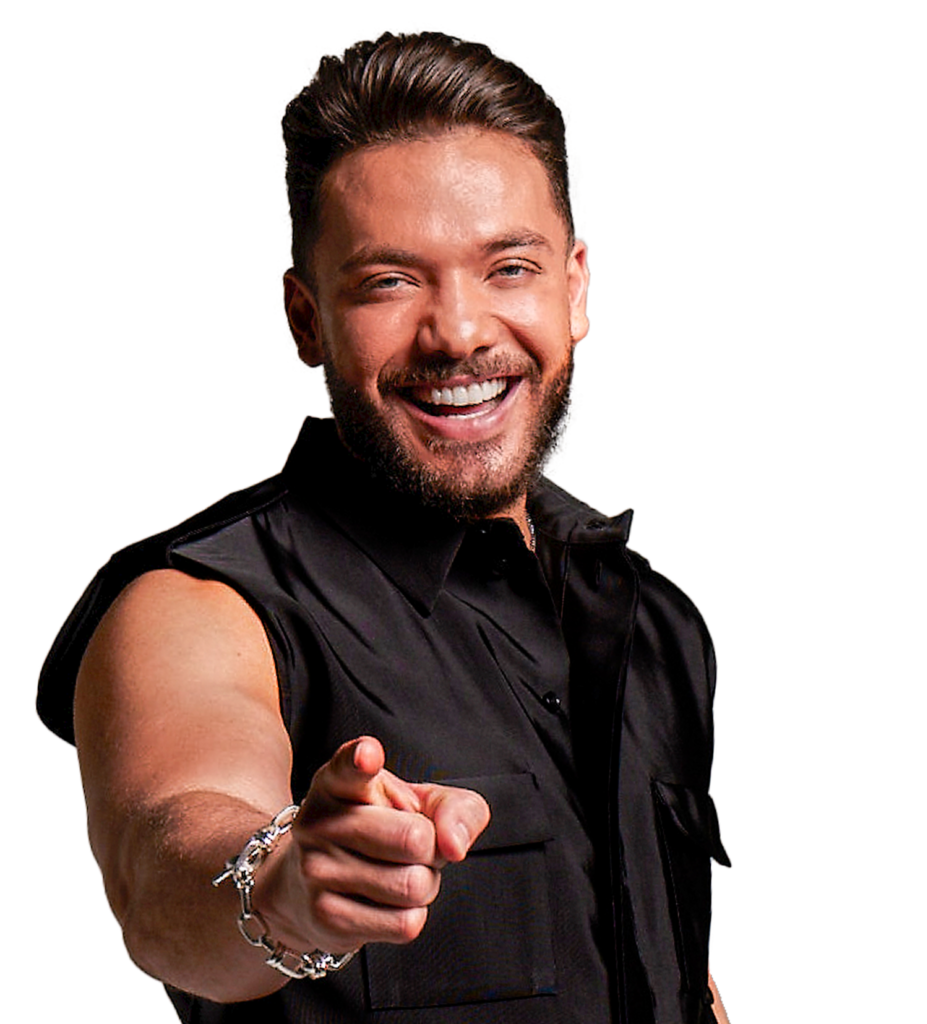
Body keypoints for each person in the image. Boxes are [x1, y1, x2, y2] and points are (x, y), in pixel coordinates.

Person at [33, 27, 732, 1024]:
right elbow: (165, 864)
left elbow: (669, 972)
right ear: (306, 319)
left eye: (509, 268)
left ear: (575, 287)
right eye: (389, 282)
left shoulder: (653, 616)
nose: (459, 331)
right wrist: (281, 889)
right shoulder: (199, 606)